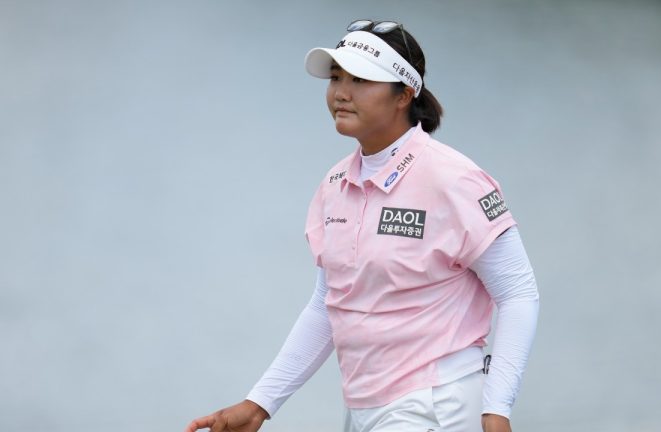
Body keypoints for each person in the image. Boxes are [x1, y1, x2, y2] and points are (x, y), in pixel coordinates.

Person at [185, 19, 539, 432]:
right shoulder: (335, 185)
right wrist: (259, 403)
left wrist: (496, 408)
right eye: (336, 78)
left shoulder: (454, 178)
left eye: (361, 79)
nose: (341, 92)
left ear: (405, 94)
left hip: (435, 403)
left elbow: (518, 292)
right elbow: (328, 304)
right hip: (364, 408)